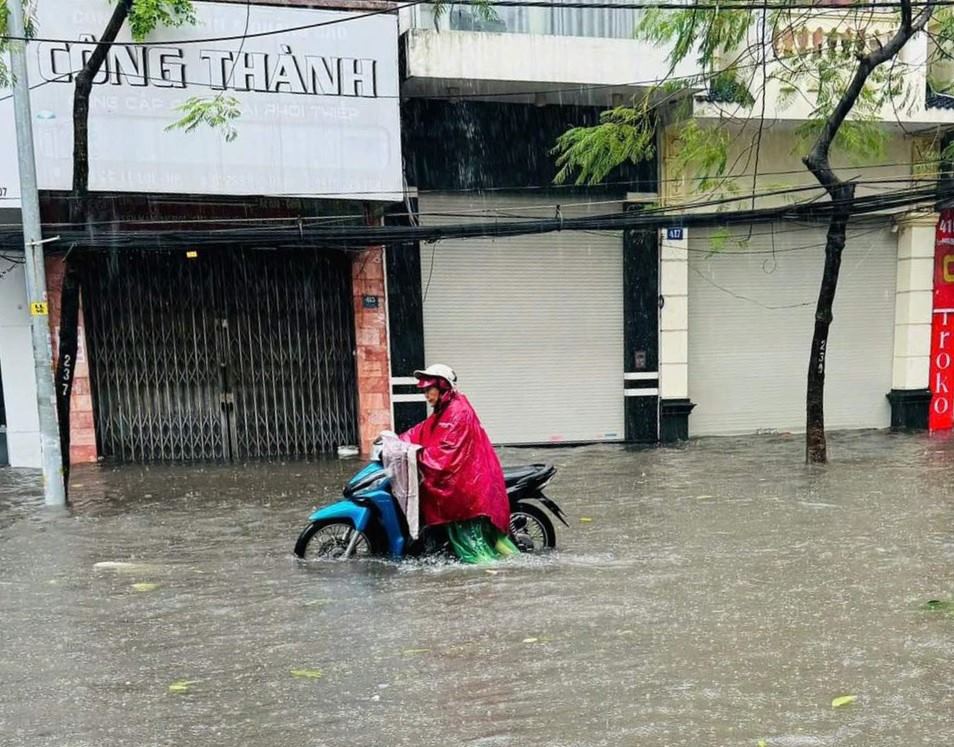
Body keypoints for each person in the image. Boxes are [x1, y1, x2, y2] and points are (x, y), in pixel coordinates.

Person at [400, 364, 518, 564]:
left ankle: (494, 577)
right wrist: (397, 441)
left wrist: (417, 455)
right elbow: (421, 431)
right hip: (463, 486)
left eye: (429, 389)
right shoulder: (443, 411)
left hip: (466, 492)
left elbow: (447, 453)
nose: (426, 395)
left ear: (443, 387)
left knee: (475, 550)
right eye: (425, 390)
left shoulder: (458, 412)